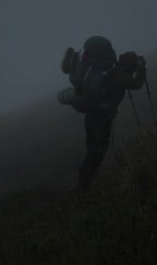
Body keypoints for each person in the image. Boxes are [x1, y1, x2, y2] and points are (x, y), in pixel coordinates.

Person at [58, 37, 146, 192]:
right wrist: (141, 67)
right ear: (130, 65)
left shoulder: (108, 72)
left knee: (94, 152)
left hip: (92, 115)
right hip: (101, 117)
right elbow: (137, 84)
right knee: (96, 153)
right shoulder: (119, 74)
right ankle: (83, 189)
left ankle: (84, 187)